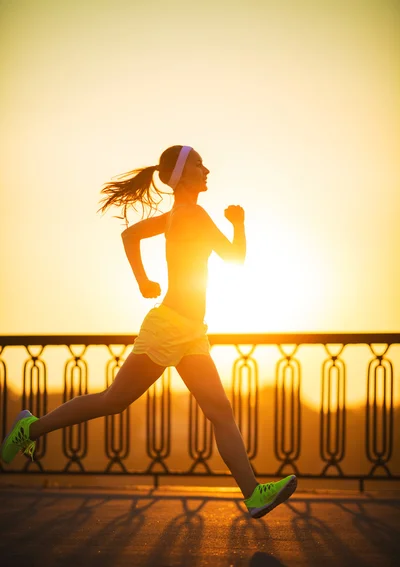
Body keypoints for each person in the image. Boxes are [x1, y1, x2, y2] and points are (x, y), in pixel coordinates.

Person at [0, 144, 297, 518]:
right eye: (200, 166)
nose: (207, 171)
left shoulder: (178, 215)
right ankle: (31, 428)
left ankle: (253, 493)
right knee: (114, 401)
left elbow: (129, 236)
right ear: (182, 175)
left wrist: (143, 281)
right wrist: (238, 223)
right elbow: (235, 259)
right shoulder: (193, 215)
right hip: (168, 327)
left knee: (220, 410)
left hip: (190, 331)